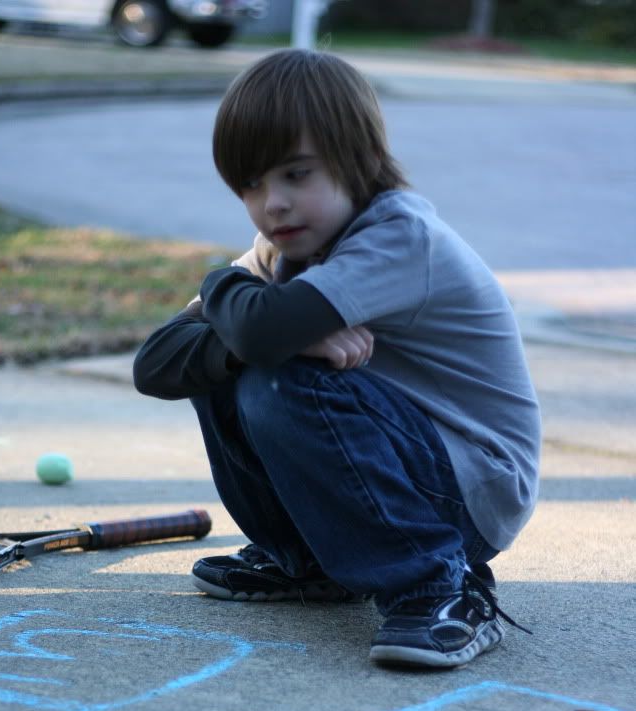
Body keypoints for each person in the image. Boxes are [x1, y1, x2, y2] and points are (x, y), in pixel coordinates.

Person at [133, 48, 541, 669]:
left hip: (474, 490)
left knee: (276, 374)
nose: (273, 204)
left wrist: (225, 293)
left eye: (297, 174)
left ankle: (443, 586)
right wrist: (250, 328)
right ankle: (311, 564)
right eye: (250, 183)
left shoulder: (399, 237)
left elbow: (264, 336)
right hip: (413, 469)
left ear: (361, 159)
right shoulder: (280, 254)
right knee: (223, 366)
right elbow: (155, 363)